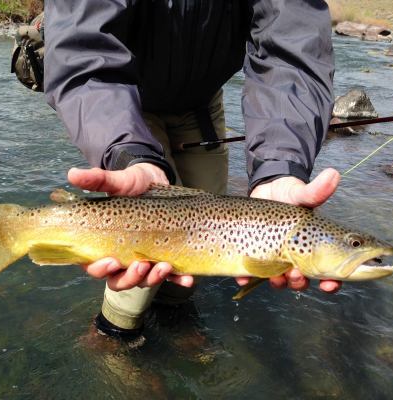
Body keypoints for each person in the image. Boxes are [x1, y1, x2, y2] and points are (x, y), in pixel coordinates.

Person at [44, 0, 341, 338]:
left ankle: (173, 317)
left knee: (199, 245)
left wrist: (280, 166)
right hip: (121, 101)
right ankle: (112, 332)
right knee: (143, 251)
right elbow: (83, 47)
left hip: (201, 103)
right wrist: (128, 152)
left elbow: (291, 46)